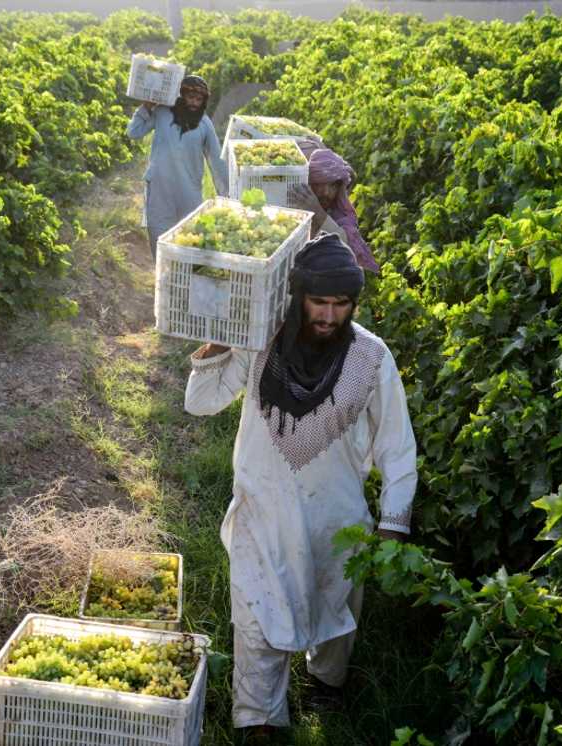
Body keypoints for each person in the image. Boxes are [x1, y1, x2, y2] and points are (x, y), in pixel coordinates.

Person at [183, 233, 417, 742]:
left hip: (336, 520)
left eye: (341, 304)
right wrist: (221, 338)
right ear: (297, 297)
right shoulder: (261, 340)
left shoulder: (372, 358)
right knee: (256, 616)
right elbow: (200, 402)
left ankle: (325, 685)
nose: (329, 316)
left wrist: (392, 529)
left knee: (334, 610)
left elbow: (398, 448)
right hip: (261, 513)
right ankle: (259, 718)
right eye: (319, 302)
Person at [126, 75, 228, 258]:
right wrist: (147, 106)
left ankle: (183, 285)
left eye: (198, 99)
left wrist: (227, 195)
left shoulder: (205, 124)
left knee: (188, 244)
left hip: (188, 193)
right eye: (190, 97)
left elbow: (216, 161)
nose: (194, 103)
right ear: (181, 95)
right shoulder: (162, 113)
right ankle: (162, 283)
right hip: (159, 189)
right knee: (159, 242)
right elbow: (133, 132)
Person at [288, 144, 380, 273]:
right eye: (319, 184)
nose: (326, 192)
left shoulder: (340, 215)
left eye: (333, 186)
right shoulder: (297, 203)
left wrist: (318, 212)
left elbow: (345, 248)